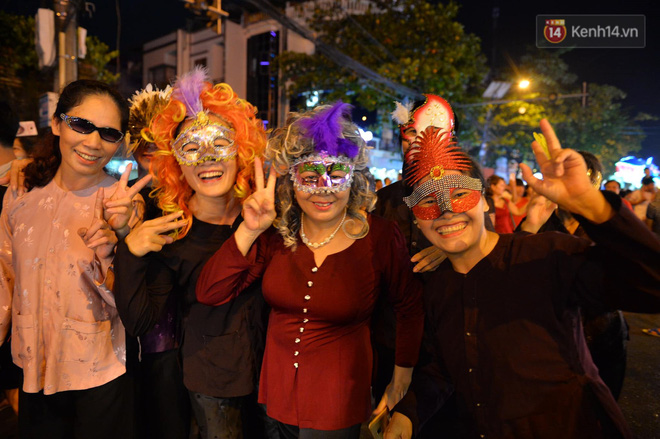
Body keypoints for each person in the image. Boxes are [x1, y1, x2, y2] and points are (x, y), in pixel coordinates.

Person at [384, 117, 660, 439]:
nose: (446, 211)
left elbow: (652, 285)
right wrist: (409, 413)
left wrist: (593, 207)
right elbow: (445, 366)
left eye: (459, 194)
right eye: (428, 201)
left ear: (484, 201)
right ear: (416, 218)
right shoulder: (437, 286)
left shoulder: (546, 255)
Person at [196, 101, 424, 438]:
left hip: (338, 399)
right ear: (293, 181)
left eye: (336, 175)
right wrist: (250, 228)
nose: (323, 188)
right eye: (309, 177)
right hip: (274, 397)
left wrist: (401, 378)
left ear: (353, 179)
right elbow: (211, 291)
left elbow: (409, 307)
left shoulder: (379, 236)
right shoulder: (277, 234)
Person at [113, 68, 270, 439]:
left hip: (274, 381)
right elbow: (140, 323)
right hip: (212, 387)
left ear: (241, 150)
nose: (206, 158)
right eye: (191, 148)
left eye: (220, 143)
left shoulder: (267, 212)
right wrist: (129, 249)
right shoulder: (170, 229)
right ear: (176, 163)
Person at [0, 79, 150, 439]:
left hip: (101, 371)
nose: (93, 142)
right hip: (34, 365)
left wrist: (117, 241)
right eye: (81, 125)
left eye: (109, 133)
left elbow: (131, 302)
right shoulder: (20, 193)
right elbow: (5, 279)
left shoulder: (124, 203)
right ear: (57, 123)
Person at [520, 151, 629, 401]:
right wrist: (529, 227)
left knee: (600, 404)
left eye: (581, 185)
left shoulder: (608, 227)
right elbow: (512, 271)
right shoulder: (539, 219)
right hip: (546, 334)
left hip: (602, 334)